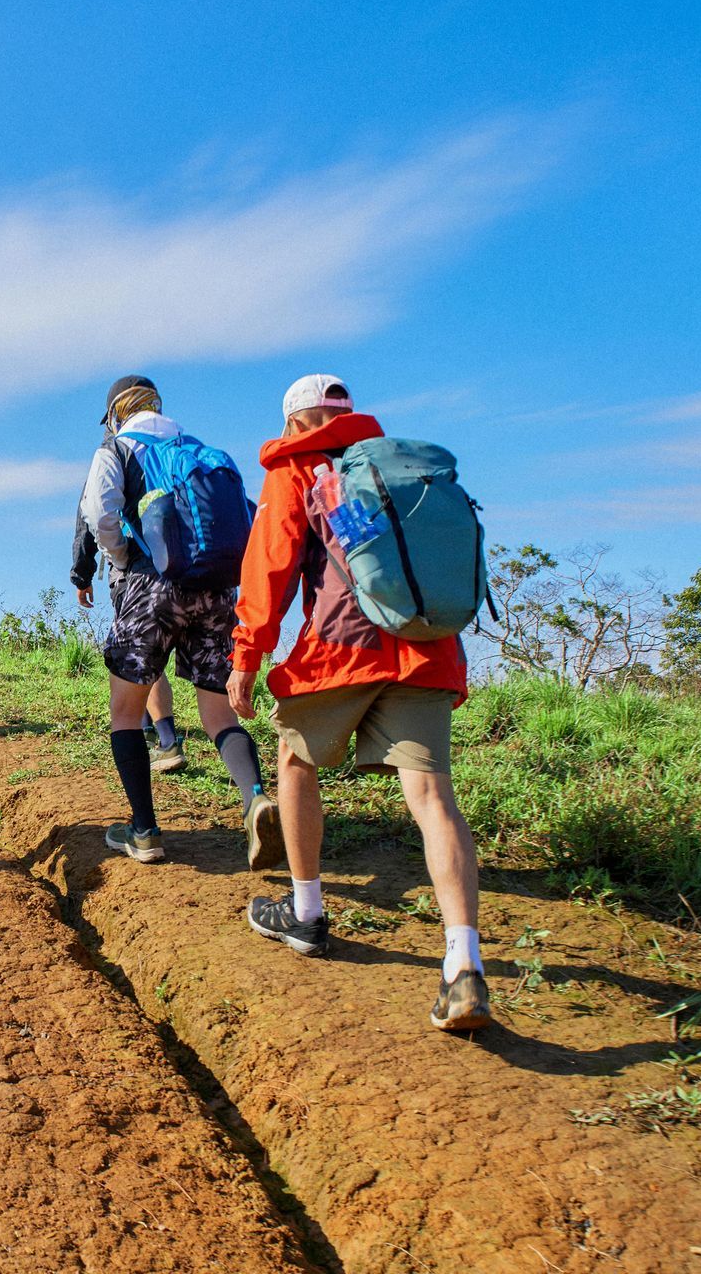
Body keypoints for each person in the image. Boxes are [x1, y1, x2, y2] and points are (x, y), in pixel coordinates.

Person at [227, 373, 490, 1032]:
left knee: (293, 761)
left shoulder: (298, 471)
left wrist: (245, 657)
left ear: (294, 422)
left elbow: (269, 573)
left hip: (339, 651)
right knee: (432, 798)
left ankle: (308, 912)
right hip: (427, 647)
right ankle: (464, 964)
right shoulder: (399, 470)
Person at [74, 374, 280, 866]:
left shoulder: (118, 449)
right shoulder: (203, 451)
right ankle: (255, 799)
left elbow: (99, 513)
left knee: (126, 713)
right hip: (214, 591)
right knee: (218, 714)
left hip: (150, 587)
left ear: (116, 414)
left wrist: (124, 557)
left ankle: (144, 831)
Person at [73, 515, 185, 774]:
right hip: (178, 565)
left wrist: (82, 575)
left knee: (142, 657)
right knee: (145, 656)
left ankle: (167, 741)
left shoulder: (116, 473)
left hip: (135, 570)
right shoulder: (168, 474)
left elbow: (91, 518)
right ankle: (144, 730)